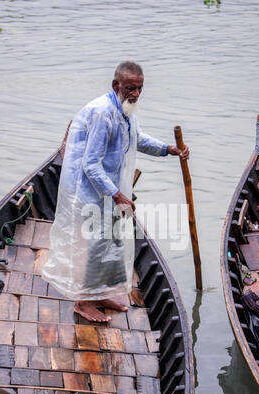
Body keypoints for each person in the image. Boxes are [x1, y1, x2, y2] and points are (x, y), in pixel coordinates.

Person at [41, 61, 189, 322]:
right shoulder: (102, 113)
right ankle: (83, 303)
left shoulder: (126, 110)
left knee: (109, 242)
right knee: (92, 246)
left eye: (140, 88)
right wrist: (118, 195)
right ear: (116, 85)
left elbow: (138, 139)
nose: (136, 94)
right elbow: (89, 164)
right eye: (131, 88)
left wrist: (168, 149)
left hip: (108, 190)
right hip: (87, 191)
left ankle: (99, 294)